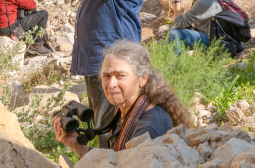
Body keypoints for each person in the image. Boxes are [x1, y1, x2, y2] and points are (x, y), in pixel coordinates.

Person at [57, 0, 147, 147]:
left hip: (113, 53)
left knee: (109, 120)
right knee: (101, 115)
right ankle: (105, 155)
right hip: (98, 50)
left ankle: (110, 158)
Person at [51, 41, 191, 157]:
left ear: (142, 79)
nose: (111, 84)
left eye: (121, 76)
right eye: (107, 76)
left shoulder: (148, 129)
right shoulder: (126, 108)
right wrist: (76, 144)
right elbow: (116, 162)